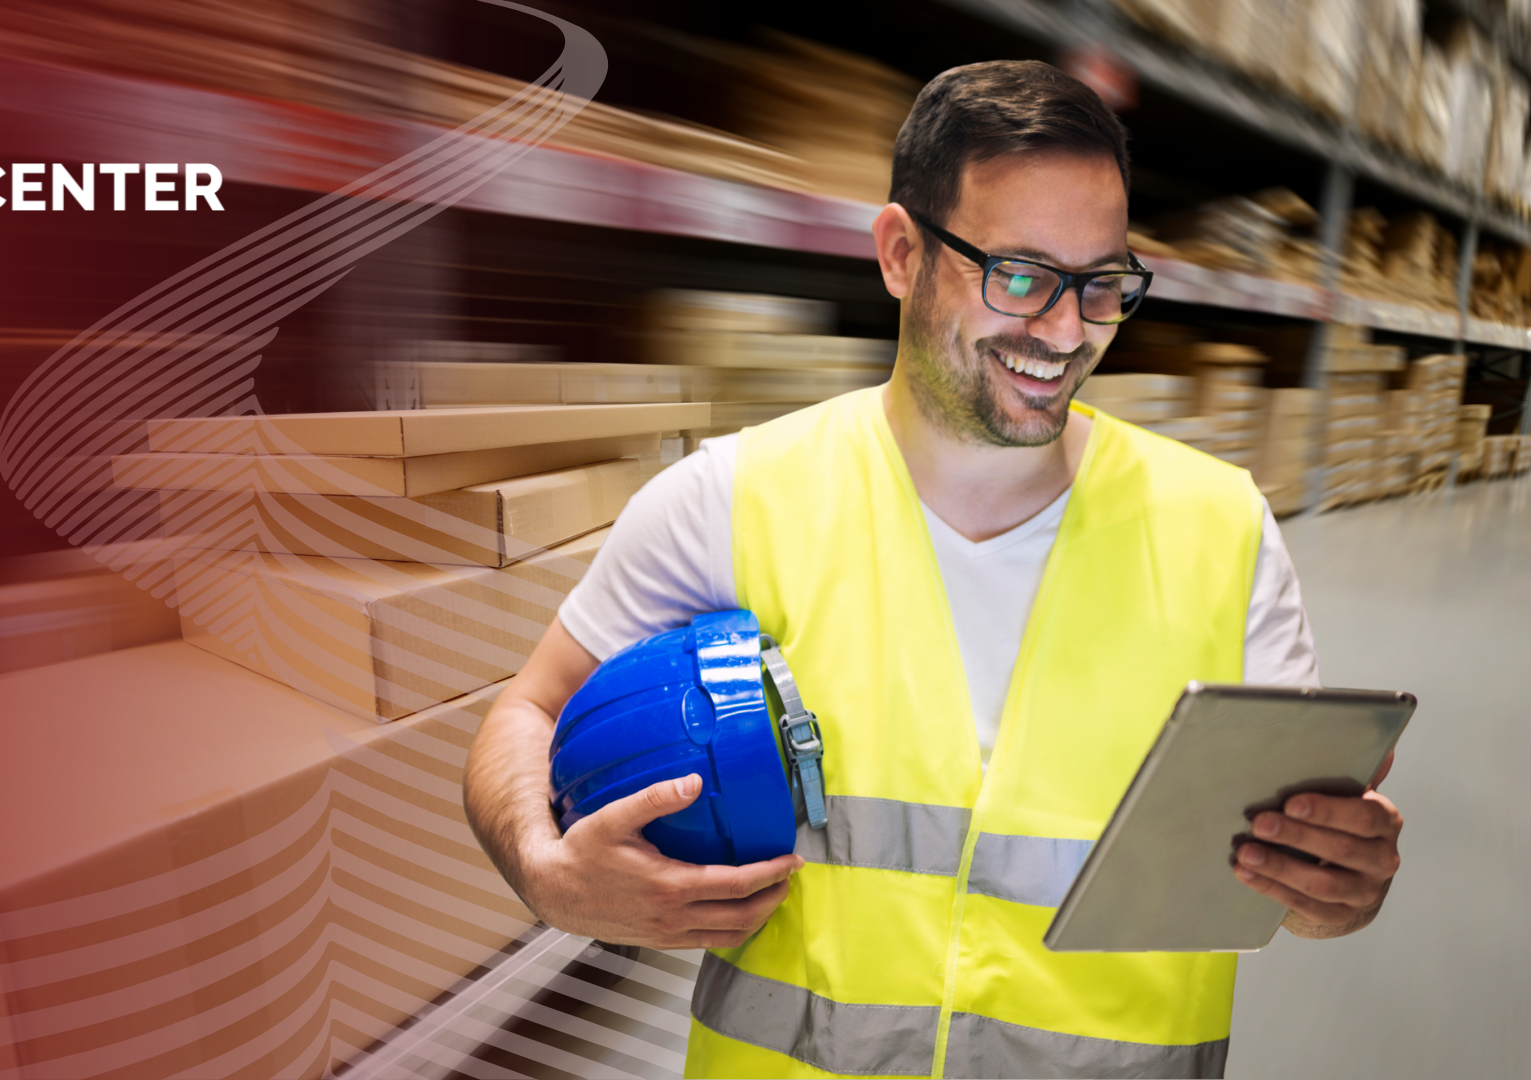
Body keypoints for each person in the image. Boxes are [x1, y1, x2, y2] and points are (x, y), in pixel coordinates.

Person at [462, 60, 1404, 1079]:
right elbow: (528, 713)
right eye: (1021, 277)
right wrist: (545, 871)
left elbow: (1282, 867)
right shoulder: (733, 501)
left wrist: (1334, 888)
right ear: (901, 253)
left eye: (1101, 284)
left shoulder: (1223, 530)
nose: (1066, 330)